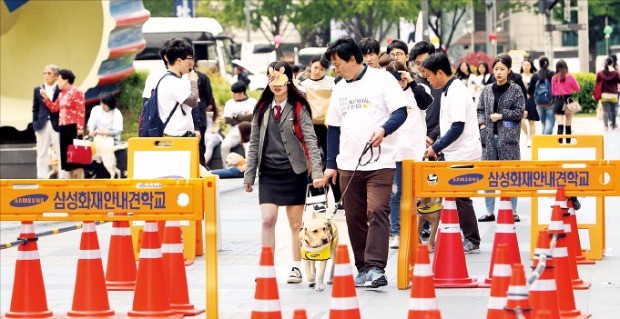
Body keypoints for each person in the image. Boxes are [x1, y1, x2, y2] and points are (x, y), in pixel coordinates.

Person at [323, 36, 408, 288]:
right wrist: (330, 164)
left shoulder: (382, 80)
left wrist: (383, 129)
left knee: (378, 210)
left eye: (337, 64)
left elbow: (401, 112)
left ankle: (375, 267)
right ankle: (361, 267)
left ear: (352, 59)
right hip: (348, 164)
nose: (335, 70)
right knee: (354, 217)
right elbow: (334, 128)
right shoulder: (339, 87)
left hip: (380, 162)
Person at [243, 61, 325, 284]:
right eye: (272, 80)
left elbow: (310, 138)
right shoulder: (261, 109)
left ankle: (296, 266)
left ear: (289, 80)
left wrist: (317, 172)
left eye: (280, 80)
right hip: (269, 173)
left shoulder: (299, 107)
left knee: (295, 223)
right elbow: (253, 143)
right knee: (268, 219)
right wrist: (249, 174)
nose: (276, 85)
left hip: (294, 171)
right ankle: (266, 267)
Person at [422, 53, 482, 254]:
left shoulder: (456, 91)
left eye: (429, 75)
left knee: (461, 197)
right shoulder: (447, 91)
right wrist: (438, 145)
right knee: (455, 197)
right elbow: (447, 125)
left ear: (440, 72)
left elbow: (457, 127)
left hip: (464, 153)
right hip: (455, 152)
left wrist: (435, 148)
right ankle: (462, 235)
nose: (428, 80)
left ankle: (472, 239)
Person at [476, 54, 525, 223]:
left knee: (510, 175)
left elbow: (520, 112)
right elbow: (480, 110)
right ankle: (490, 211)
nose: (498, 73)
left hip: (509, 139)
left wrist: (502, 116)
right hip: (489, 138)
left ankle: (513, 211)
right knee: (489, 175)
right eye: (496, 69)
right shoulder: (487, 90)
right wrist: (482, 125)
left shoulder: (516, 90)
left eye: (502, 69)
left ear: (509, 71)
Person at [384, 61, 427, 249]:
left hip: (415, 152)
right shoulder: (385, 94)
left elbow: (426, 104)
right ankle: (396, 232)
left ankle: (416, 231)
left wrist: (412, 82)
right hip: (395, 153)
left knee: (418, 194)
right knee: (395, 193)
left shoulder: (418, 90)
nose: (399, 84)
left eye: (401, 79)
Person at [40, 69, 86, 179]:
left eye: (60, 81)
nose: (58, 83)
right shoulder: (61, 94)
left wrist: (80, 127)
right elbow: (54, 108)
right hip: (63, 125)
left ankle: (78, 179)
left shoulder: (77, 92)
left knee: (77, 153)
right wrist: (46, 97)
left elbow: (81, 110)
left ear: (66, 80)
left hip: (73, 126)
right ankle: (70, 179)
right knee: (67, 154)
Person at [158, 39, 199, 137]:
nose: (191, 63)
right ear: (179, 61)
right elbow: (193, 101)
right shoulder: (172, 82)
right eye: (189, 58)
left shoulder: (173, 79)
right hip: (176, 137)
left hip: (178, 135)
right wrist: (193, 81)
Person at [33, 64, 61, 179]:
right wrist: (35, 123)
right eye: (44, 73)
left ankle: (62, 176)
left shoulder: (60, 89)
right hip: (42, 123)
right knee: (42, 151)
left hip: (56, 123)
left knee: (59, 150)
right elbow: (35, 108)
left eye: (49, 73)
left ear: (56, 76)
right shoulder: (37, 89)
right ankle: (41, 177)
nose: (46, 76)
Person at [221, 82, 256, 166]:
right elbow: (227, 120)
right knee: (224, 146)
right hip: (233, 134)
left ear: (242, 93)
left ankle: (249, 169)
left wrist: (235, 117)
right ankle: (226, 169)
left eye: (235, 93)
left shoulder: (252, 102)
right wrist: (243, 117)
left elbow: (251, 117)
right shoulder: (229, 103)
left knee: (248, 149)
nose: (233, 95)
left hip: (248, 133)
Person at [551, 60, 580, 143]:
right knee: (568, 123)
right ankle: (568, 141)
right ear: (566, 67)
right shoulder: (570, 77)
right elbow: (578, 89)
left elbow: (553, 91)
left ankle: (559, 142)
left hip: (558, 100)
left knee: (560, 124)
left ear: (556, 68)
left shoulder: (554, 78)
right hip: (569, 100)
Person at [528, 57, 555, 135]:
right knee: (550, 122)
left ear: (539, 64)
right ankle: (546, 139)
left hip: (539, 103)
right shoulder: (552, 74)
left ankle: (544, 140)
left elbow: (530, 91)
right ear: (548, 64)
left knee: (543, 123)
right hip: (550, 102)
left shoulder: (535, 75)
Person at [595, 57, 620, 130]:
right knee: (613, 110)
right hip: (614, 95)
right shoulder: (615, 73)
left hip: (604, 95)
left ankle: (605, 126)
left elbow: (597, 83)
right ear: (612, 63)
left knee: (605, 111)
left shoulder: (600, 73)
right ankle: (613, 124)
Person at [520, 59, 539, 146]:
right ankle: (527, 135)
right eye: (524, 65)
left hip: (532, 100)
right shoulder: (519, 77)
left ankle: (531, 140)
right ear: (522, 66)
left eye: (528, 65)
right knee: (521, 121)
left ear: (531, 66)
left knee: (532, 121)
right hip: (521, 100)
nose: (526, 67)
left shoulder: (534, 76)